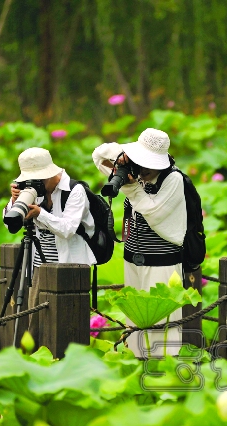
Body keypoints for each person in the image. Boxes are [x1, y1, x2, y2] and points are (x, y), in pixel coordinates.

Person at [92, 128, 186, 357]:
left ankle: (163, 377)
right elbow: (99, 155)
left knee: (162, 332)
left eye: (146, 162)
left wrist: (132, 188)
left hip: (161, 263)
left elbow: (153, 213)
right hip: (132, 260)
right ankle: (136, 367)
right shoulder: (137, 173)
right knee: (134, 329)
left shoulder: (173, 179)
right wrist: (123, 159)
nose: (142, 167)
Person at [4, 147, 96, 345]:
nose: (38, 183)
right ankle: (37, 360)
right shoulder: (33, 189)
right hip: (40, 267)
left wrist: (40, 213)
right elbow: (9, 222)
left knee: (67, 325)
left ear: (53, 172)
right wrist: (15, 202)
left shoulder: (74, 191)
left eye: (41, 178)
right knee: (36, 323)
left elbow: (68, 228)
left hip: (69, 268)